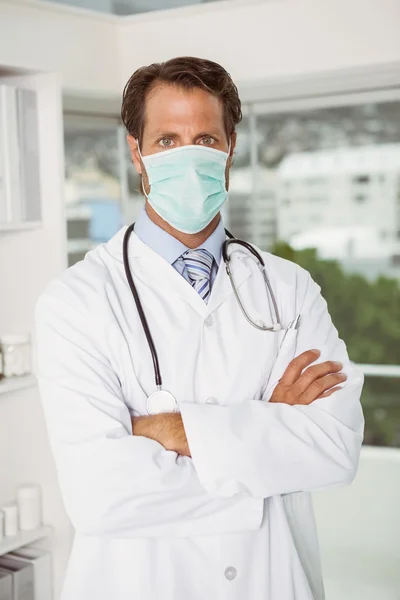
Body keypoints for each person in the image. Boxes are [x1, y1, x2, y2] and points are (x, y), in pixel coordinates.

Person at [35, 56, 364, 600]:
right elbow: (101, 494)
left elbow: (334, 447)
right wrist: (270, 439)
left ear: (231, 148)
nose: (188, 157)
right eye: (167, 141)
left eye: (205, 140)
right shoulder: (75, 301)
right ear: (135, 152)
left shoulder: (289, 288)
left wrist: (169, 429)